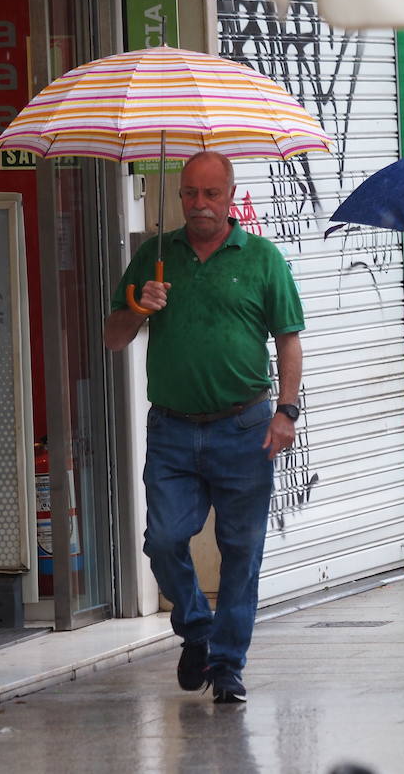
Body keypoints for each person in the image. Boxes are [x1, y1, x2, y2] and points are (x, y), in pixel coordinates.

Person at [103, 150, 304, 705]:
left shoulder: (262, 258)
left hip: (245, 426)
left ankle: (228, 664)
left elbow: (289, 340)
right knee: (163, 540)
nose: (199, 204)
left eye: (211, 194)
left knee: (242, 550)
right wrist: (140, 308)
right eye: (190, 193)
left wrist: (287, 412)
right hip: (171, 430)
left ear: (231, 196)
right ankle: (197, 628)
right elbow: (112, 337)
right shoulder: (154, 255)